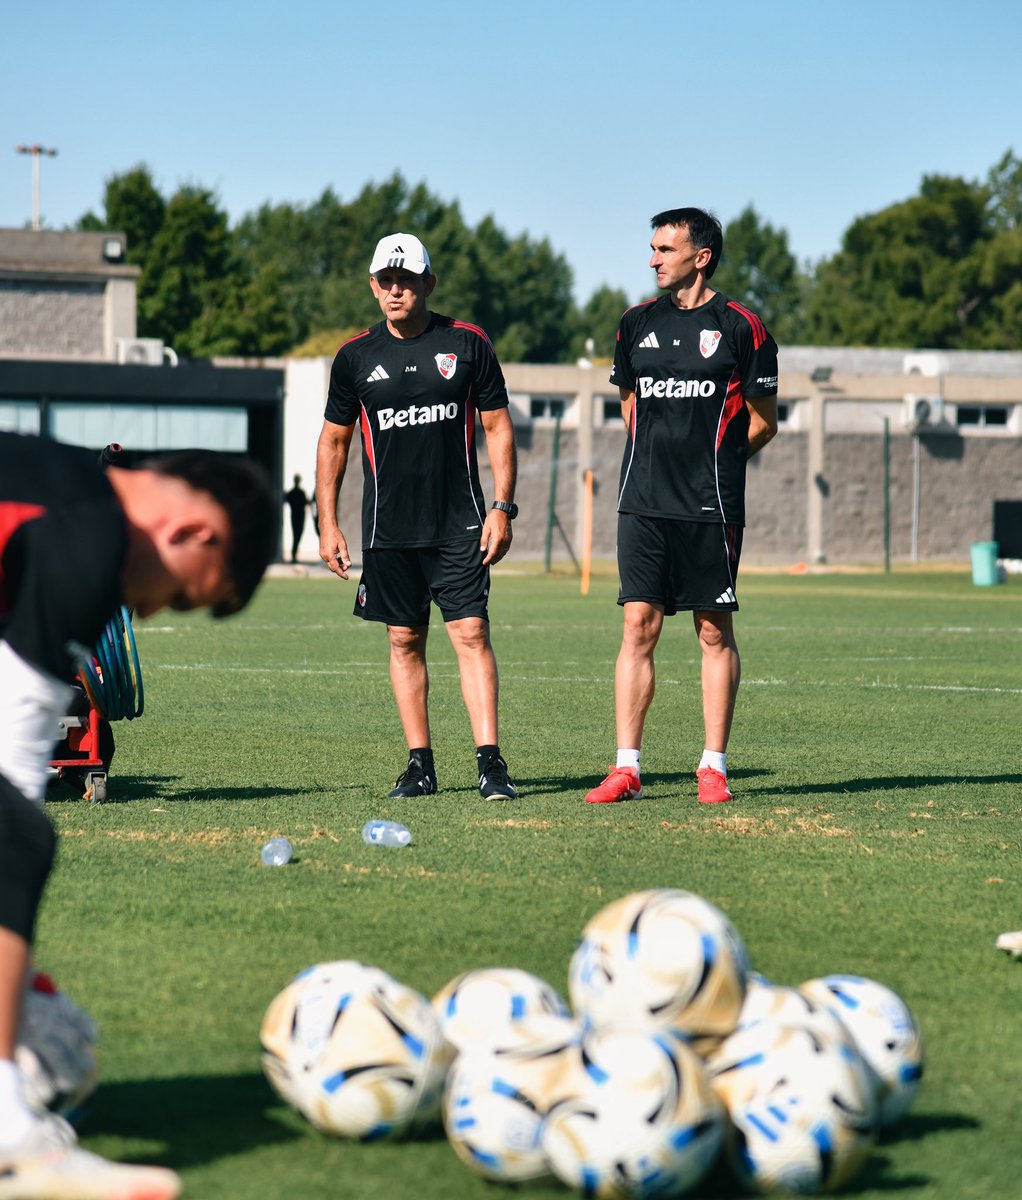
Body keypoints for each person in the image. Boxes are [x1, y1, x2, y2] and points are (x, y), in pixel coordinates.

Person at [0, 431, 277, 1199]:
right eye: (184, 596)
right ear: (195, 532)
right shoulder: (91, 542)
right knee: (16, 835)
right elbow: (16, 774)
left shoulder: (56, 474)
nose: (152, 612)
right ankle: (10, 1139)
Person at [585, 207, 778, 807]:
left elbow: (763, 422)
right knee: (636, 626)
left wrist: (712, 462)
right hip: (642, 502)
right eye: (653, 248)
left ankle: (713, 767)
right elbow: (629, 403)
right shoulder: (634, 322)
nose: (653, 260)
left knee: (713, 631)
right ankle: (626, 769)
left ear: (702, 257)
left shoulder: (742, 326)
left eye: (665, 249)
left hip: (710, 505)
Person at [316, 232, 519, 801]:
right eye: (386, 280)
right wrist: (327, 522)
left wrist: (502, 507)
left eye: (407, 280)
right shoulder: (355, 357)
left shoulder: (468, 343)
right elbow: (334, 442)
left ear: (429, 283)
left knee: (471, 633)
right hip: (388, 529)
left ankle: (491, 764)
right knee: (404, 639)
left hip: (461, 522)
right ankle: (420, 765)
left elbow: (498, 428)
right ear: (373, 286)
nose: (396, 290)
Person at [284, 473, 310, 563]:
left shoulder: (291, 492)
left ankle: (294, 555)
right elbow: (306, 502)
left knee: (295, 535)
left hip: (294, 516)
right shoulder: (301, 493)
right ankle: (294, 555)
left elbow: (285, 499)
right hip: (300, 516)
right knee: (297, 535)